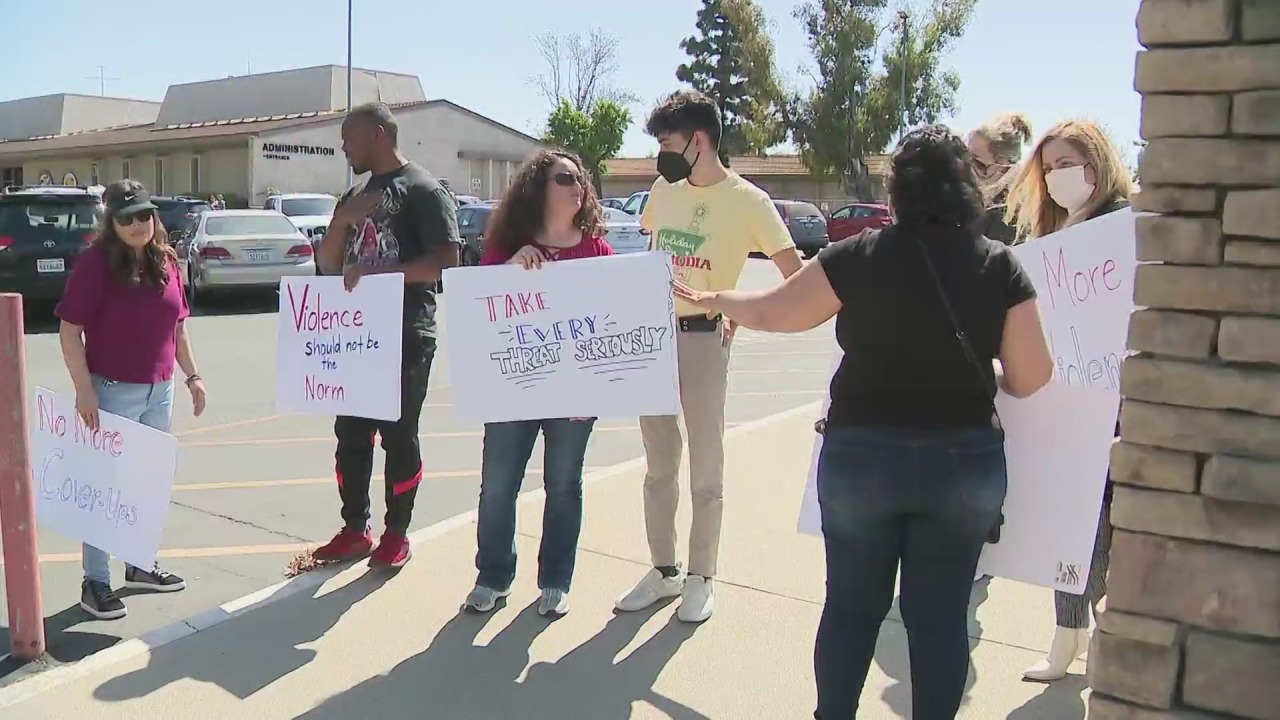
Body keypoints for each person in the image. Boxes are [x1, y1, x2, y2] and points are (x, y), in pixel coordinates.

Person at [674, 125, 1054, 719]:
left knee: (851, 608)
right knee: (940, 618)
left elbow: (777, 311)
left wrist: (719, 298)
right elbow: (1032, 377)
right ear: (965, 186)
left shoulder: (859, 255)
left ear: (896, 189)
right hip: (961, 462)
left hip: (861, 457)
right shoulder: (998, 265)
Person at [615, 90, 804, 624]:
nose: (661, 155)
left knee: (705, 464)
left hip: (704, 339)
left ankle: (701, 576)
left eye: (668, 144)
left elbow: (796, 276)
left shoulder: (750, 202)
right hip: (650, 338)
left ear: (699, 141)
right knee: (658, 464)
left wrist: (741, 308)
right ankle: (663, 570)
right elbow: (651, 251)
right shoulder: (662, 189)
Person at [1004, 118, 1133, 681]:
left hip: (1120, 404)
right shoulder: (1048, 241)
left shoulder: (1124, 229)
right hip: (1066, 401)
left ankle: (1096, 640)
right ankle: (1066, 636)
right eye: (1049, 168)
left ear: (1097, 166)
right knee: (1069, 524)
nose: (1057, 177)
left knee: (1106, 530)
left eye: (1066, 164)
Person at [461, 151, 614, 618]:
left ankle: (555, 580)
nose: (577, 186)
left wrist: (595, 390)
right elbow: (478, 312)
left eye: (580, 179)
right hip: (514, 390)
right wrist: (508, 271)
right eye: (564, 178)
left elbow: (610, 325)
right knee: (498, 485)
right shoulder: (505, 248)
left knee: (564, 484)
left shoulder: (597, 252)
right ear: (538, 189)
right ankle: (493, 577)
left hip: (574, 394)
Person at [313, 103, 461, 568]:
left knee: (400, 435)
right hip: (355, 338)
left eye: (349, 138)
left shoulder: (424, 190)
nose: (343, 147)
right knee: (351, 434)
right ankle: (355, 528)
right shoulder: (354, 195)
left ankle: (397, 534)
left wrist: (383, 275)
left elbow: (447, 260)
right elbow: (327, 265)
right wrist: (343, 220)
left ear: (377, 134)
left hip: (405, 332)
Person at [55, 179, 209, 620]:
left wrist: (193, 376)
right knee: (103, 488)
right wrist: (84, 388)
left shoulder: (166, 260)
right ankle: (96, 581)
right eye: (127, 217)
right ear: (112, 222)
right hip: (111, 390)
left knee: (144, 483)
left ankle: (139, 564)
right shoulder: (95, 264)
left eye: (145, 214)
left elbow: (178, 326)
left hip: (159, 390)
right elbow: (69, 329)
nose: (139, 224)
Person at [968, 113, 1033, 244]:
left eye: (978, 163)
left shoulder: (1010, 219)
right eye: (964, 156)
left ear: (1004, 167)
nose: (966, 167)